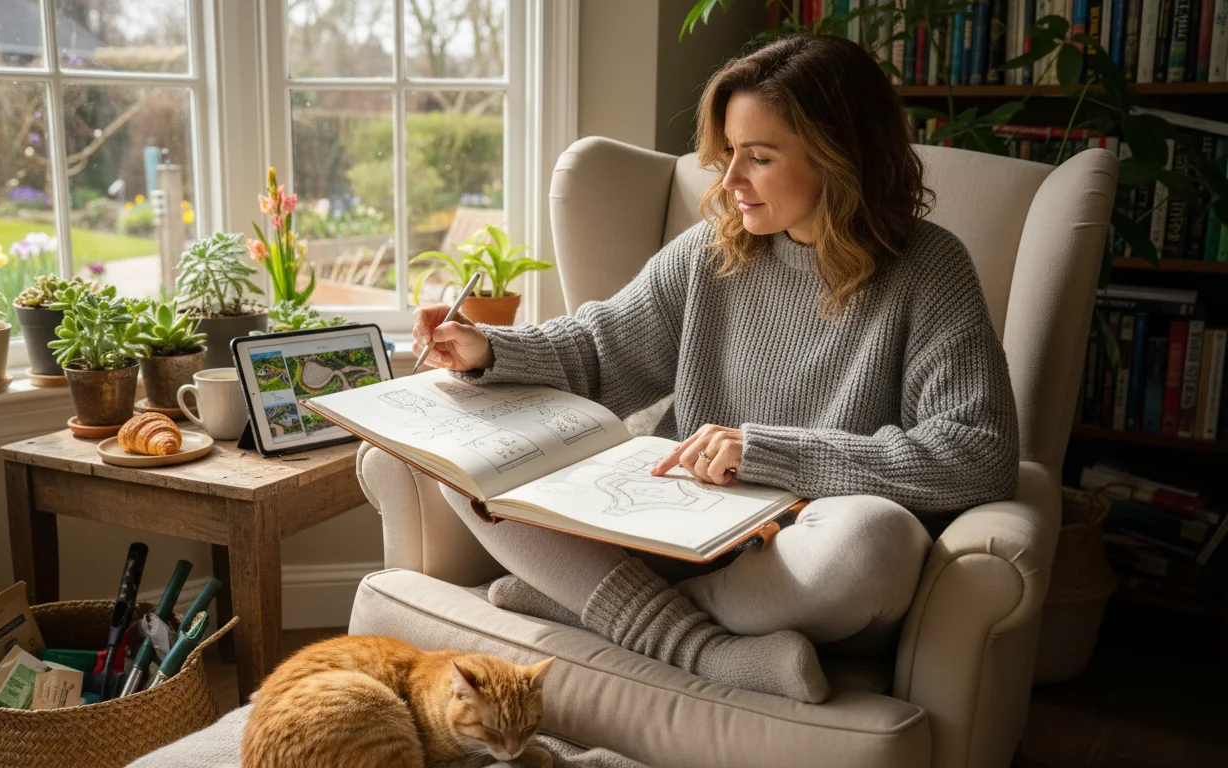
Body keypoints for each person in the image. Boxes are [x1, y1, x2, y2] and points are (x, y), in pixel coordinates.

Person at [403, 34, 1019, 704]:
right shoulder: (713, 250)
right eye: (729, 154)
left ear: (840, 158)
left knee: (876, 542)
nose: (729, 181)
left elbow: (978, 455)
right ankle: (700, 648)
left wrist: (766, 453)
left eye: (757, 157)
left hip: (801, 563)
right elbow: (600, 348)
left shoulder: (930, 269)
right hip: (673, 526)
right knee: (459, 460)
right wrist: (488, 349)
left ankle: (593, 600)